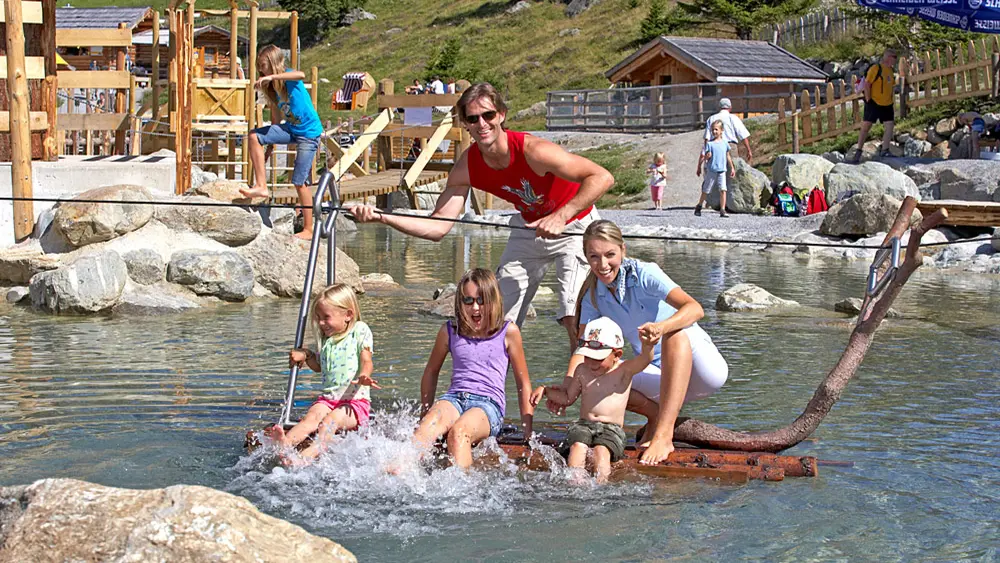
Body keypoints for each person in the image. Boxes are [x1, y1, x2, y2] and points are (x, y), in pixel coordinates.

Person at [349, 83, 614, 349]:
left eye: (488, 115)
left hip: (574, 222)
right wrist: (383, 217)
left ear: (501, 115)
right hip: (529, 227)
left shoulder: (533, 150)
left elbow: (602, 177)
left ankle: (581, 382)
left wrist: (561, 215)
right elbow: (437, 226)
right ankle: (491, 385)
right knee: (494, 316)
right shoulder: (468, 166)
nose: (482, 124)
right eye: (473, 118)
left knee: (573, 314)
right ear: (464, 123)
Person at [545, 220, 729, 465]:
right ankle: (655, 417)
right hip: (656, 371)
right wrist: (568, 390)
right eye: (594, 256)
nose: (603, 265)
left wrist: (661, 327)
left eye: (610, 254)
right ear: (586, 257)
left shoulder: (644, 273)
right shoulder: (592, 294)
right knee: (599, 371)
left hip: (702, 368)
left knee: (674, 335)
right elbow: (584, 349)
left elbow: (695, 308)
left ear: (623, 249)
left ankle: (664, 434)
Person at [404, 268, 534, 470]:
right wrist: (425, 410)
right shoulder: (450, 331)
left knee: (459, 432)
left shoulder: (508, 332)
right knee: (427, 426)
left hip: (488, 406)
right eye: (469, 301)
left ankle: (464, 492)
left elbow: (523, 383)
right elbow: (431, 372)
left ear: (494, 301)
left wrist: (528, 430)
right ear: (460, 303)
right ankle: (398, 475)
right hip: (454, 399)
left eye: (482, 301)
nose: (475, 308)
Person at [530, 316, 656, 483]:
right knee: (577, 447)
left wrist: (648, 346)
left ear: (617, 355)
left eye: (598, 359)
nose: (592, 363)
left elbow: (645, 359)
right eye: (588, 357)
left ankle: (600, 487)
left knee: (601, 451)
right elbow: (568, 397)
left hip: (611, 429)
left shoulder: (624, 371)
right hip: (584, 424)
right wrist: (546, 391)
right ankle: (574, 484)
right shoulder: (582, 370)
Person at [264, 284, 380, 464]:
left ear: (348, 315)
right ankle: (286, 444)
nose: (321, 323)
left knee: (329, 421)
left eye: (326, 317)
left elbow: (367, 360)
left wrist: (365, 375)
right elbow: (319, 367)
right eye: (318, 318)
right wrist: (307, 355)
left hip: (354, 403)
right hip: (328, 400)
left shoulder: (359, 330)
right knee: (311, 418)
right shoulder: (326, 340)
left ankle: (314, 450)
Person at [239, 44, 323, 241]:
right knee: (254, 136)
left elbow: (301, 74)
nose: (261, 70)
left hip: (309, 134)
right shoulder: (273, 91)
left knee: (299, 182)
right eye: (259, 66)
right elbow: (276, 120)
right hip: (292, 129)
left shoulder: (288, 77)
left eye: (263, 66)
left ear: (273, 64)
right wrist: (270, 145)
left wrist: (273, 77)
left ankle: (309, 228)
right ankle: (261, 185)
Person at [850, 49, 897, 163]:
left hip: (887, 103)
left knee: (889, 126)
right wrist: (868, 99)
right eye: (894, 57)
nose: (896, 59)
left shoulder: (890, 71)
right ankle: (859, 150)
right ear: (889, 57)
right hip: (874, 102)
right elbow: (867, 83)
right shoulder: (876, 68)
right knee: (866, 127)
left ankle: (885, 150)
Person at [694, 120, 736, 218]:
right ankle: (699, 205)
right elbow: (705, 157)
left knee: (723, 189)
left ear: (721, 131)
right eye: (713, 130)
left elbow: (728, 156)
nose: (714, 132)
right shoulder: (710, 144)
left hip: (722, 170)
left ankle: (722, 209)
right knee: (707, 189)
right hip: (712, 170)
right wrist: (706, 158)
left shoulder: (725, 143)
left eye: (716, 129)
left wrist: (732, 168)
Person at [703, 98, 752, 165]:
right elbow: (742, 135)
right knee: (733, 170)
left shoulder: (711, 118)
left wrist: (707, 152)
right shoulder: (733, 118)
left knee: (717, 171)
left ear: (719, 107)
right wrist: (748, 150)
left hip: (715, 147)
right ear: (730, 107)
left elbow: (707, 138)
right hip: (730, 147)